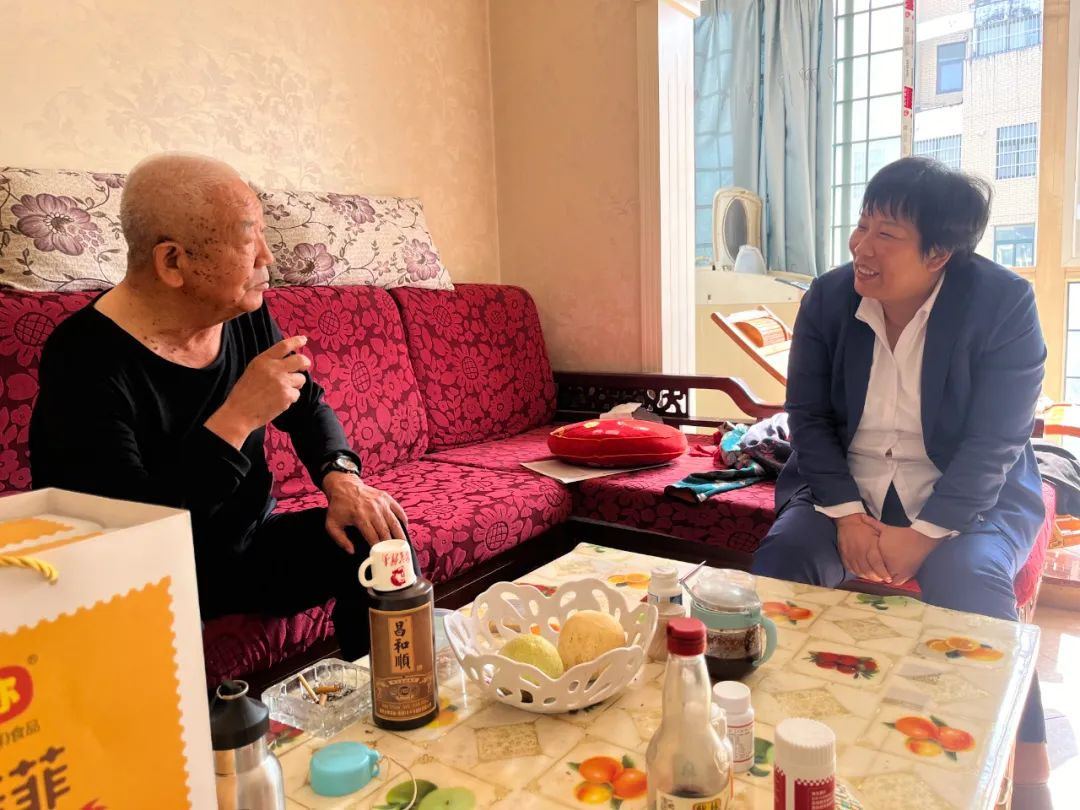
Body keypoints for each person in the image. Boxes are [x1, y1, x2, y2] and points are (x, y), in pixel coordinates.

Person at [30, 153, 409, 660]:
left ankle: (392, 691)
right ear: (173, 262)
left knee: (381, 540)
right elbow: (132, 537)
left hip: (247, 544)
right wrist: (237, 418)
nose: (267, 257)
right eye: (249, 241)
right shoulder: (83, 358)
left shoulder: (239, 311)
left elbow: (307, 402)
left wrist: (342, 479)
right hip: (148, 579)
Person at [751, 157, 1048, 777]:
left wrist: (928, 533)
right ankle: (764, 731)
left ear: (939, 253)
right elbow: (808, 416)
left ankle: (1021, 767)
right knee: (785, 560)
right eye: (862, 225)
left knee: (973, 581)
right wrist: (846, 515)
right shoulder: (828, 298)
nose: (861, 246)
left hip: (970, 495)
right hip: (842, 487)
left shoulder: (1002, 303)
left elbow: (997, 439)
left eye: (885, 234)